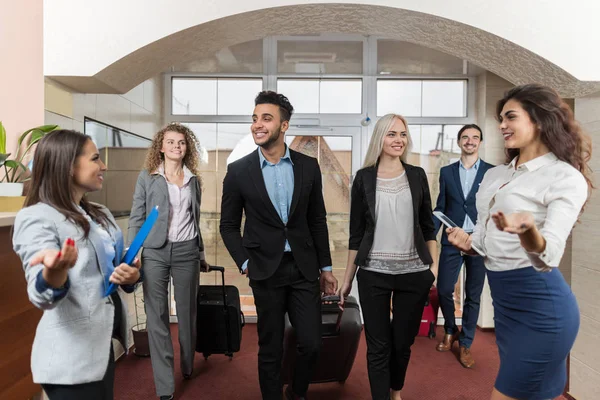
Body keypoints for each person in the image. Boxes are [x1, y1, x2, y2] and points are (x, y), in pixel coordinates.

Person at [446, 83, 592, 400]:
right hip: (506, 306)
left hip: (543, 307)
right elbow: (485, 245)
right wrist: (467, 242)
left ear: (539, 120)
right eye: (501, 118)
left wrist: (527, 228)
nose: (501, 125)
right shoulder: (496, 176)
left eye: (510, 117)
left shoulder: (564, 177)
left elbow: (548, 256)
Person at [220, 90, 338, 400]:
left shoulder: (308, 167)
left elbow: (317, 220)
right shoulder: (238, 171)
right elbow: (228, 225)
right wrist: (245, 262)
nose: (258, 124)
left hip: (303, 269)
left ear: (284, 126)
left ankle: (296, 392)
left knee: (311, 343)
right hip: (264, 270)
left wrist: (325, 268)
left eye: (266, 118)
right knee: (269, 346)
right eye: (255, 118)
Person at [12, 129, 142, 400]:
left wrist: (131, 275)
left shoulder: (100, 214)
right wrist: (54, 271)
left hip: (101, 344)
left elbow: (114, 269)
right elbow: (41, 293)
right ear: (69, 166)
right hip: (70, 357)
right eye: (95, 158)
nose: (103, 165)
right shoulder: (36, 217)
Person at [337, 114, 438, 400]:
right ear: (380, 137)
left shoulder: (417, 175)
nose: (398, 140)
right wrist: (348, 280)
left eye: (403, 134)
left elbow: (429, 228)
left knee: (402, 343)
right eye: (391, 134)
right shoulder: (363, 178)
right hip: (373, 273)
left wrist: (434, 270)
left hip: (415, 272)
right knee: (378, 345)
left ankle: (396, 391)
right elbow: (356, 234)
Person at [128, 122, 209, 400]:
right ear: (161, 147)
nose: (176, 146)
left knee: (187, 314)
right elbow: (137, 217)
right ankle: (165, 386)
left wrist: (200, 254)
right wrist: (133, 254)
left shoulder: (193, 179)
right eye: (171, 142)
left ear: (188, 148)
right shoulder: (147, 177)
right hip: (154, 252)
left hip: (186, 251)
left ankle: (187, 364)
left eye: (182, 142)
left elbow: (195, 220)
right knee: (157, 316)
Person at [433, 124, 493, 367]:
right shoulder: (447, 172)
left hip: (479, 240)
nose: (470, 141)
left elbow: (493, 207)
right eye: (465, 137)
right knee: (445, 288)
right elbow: (440, 206)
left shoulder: (491, 172)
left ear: (480, 142)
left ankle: (466, 342)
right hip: (452, 238)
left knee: (473, 294)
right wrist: (428, 237)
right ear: (459, 142)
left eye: (475, 137)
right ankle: (450, 329)